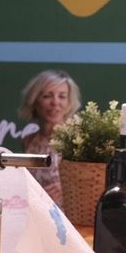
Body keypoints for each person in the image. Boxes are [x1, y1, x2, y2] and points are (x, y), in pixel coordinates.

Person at [17, 69, 81, 202]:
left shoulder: (79, 139)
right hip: (37, 214)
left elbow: (94, 183)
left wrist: (66, 190)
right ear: (34, 101)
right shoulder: (29, 141)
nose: (55, 102)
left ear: (69, 103)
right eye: (47, 96)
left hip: (70, 215)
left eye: (62, 96)